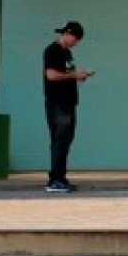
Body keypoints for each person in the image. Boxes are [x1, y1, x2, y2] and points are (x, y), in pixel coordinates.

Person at [42, 20, 93, 194]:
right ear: (67, 34)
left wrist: (78, 77)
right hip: (58, 104)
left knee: (66, 140)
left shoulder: (67, 53)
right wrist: (74, 75)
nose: (76, 43)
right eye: (75, 38)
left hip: (68, 102)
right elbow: (51, 75)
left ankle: (60, 177)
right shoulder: (52, 51)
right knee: (60, 140)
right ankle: (54, 179)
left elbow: (66, 74)